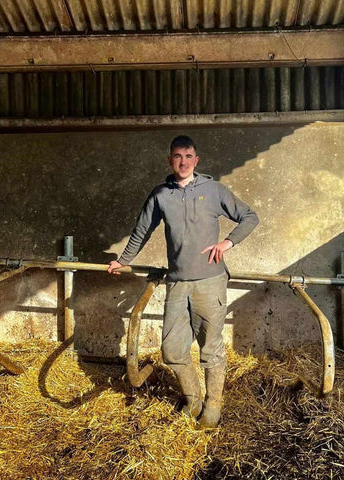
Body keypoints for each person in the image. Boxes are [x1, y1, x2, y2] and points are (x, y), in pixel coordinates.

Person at [108, 135, 258, 427]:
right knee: (173, 350)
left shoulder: (214, 190)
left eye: (189, 156)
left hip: (210, 281)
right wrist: (123, 260)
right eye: (178, 156)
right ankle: (193, 398)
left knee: (210, 349)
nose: (184, 162)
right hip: (177, 282)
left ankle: (213, 405)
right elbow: (141, 231)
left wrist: (228, 243)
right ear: (170, 160)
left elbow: (249, 217)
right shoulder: (160, 195)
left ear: (196, 160)